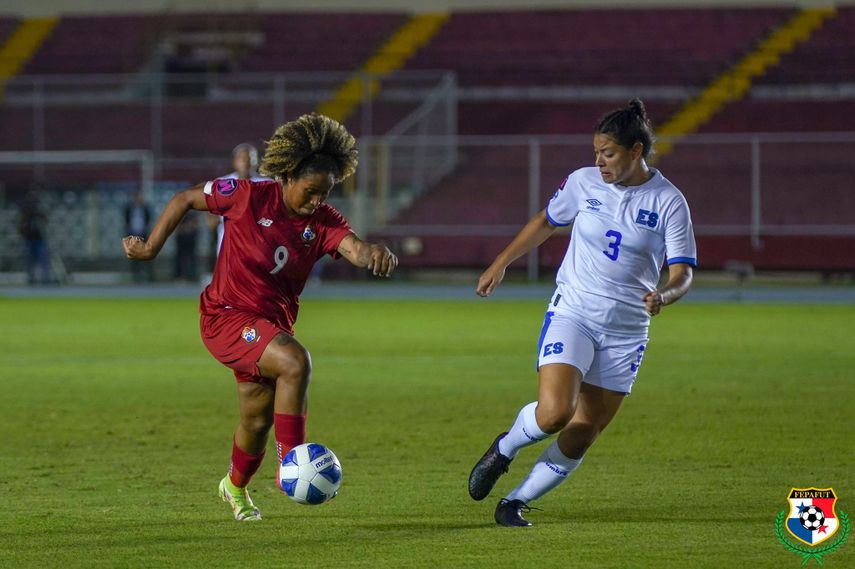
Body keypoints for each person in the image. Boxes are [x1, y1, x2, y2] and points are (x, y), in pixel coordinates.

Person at [122, 113, 398, 521]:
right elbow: (185, 199)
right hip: (226, 316)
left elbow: (352, 247)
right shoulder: (247, 195)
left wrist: (372, 251)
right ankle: (293, 465)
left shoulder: (323, 221)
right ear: (287, 177)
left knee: (256, 421)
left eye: (325, 193)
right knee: (295, 361)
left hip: (269, 327)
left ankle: (234, 487)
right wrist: (149, 249)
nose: (316, 201)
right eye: (310, 191)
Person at [467, 99, 696, 527]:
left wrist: (665, 295)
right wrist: (500, 263)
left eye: (608, 153)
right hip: (574, 311)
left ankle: (514, 502)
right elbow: (545, 221)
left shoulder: (669, 202)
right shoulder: (583, 183)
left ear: (635, 151)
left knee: (584, 430)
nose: (599, 161)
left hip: (628, 330)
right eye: (595, 152)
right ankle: (505, 448)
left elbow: (682, 273)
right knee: (555, 413)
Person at [18, 189, 51, 285]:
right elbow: (21, 224)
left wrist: (40, 215)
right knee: (29, 260)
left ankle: (45, 278)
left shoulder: (40, 212)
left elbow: (46, 221)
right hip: (29, 239)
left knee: (43, 259)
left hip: (39, 239)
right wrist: (23, 230)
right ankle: (31, 277)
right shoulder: (26, 212)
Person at [124, 191, 153, 282]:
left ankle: (149, 275)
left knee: (146, 255)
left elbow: (149, 218)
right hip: (133, 234)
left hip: (143, 233)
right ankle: (135, 275)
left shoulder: (145, 208)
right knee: (134, 255)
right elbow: (126, 220)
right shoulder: (128, 208)